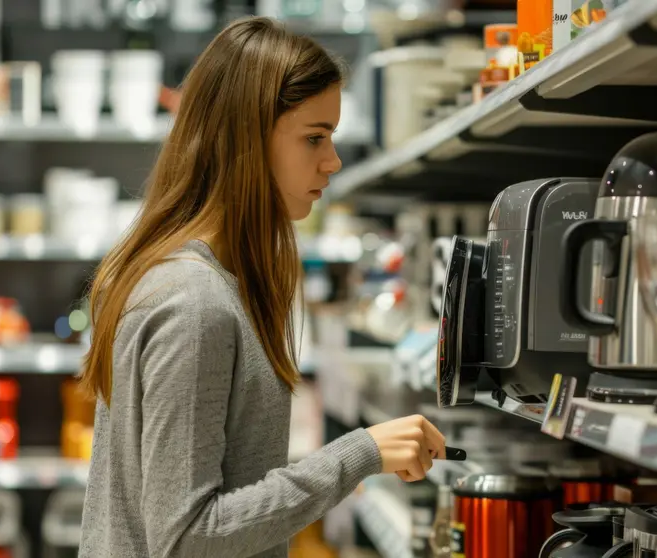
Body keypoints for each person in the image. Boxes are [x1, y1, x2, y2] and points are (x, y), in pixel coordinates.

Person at [77, 16, 447, 558]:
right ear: (247, 139)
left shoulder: (208, 283)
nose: (333, 161)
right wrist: (357, 454)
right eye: (314, 138)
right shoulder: (194, 303)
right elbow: (185, 538)